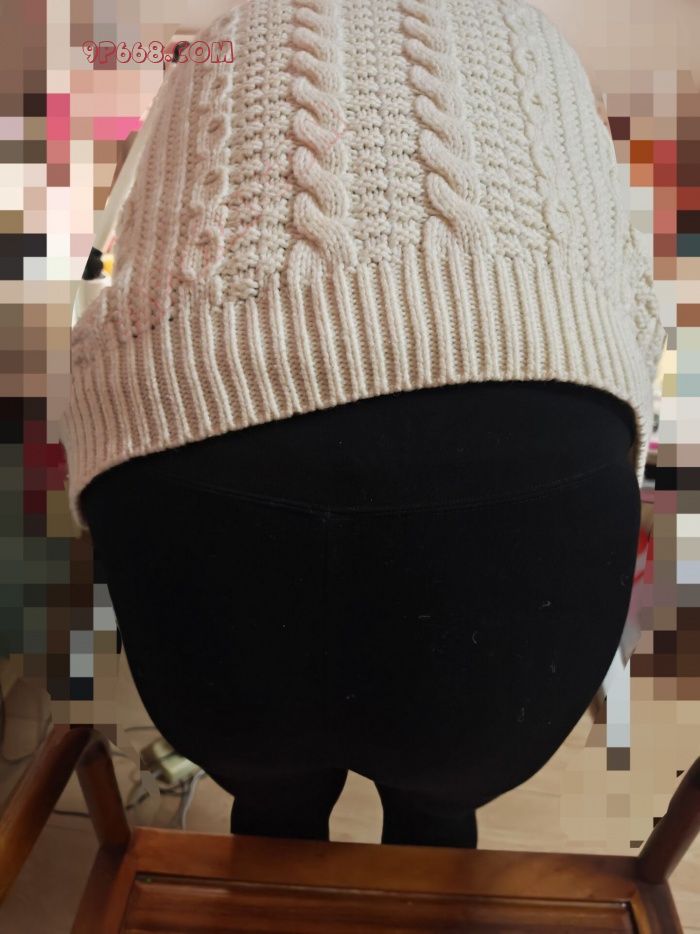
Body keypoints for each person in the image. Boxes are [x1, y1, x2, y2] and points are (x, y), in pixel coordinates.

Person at [59, 0, 666, 849]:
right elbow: (628, 309)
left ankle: (282, 831)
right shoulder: (534, 36)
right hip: (531, 489)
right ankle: (426, 834)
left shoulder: (224, 38)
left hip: (194, 467)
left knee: (270, 804)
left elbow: (121, 259)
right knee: (441, 804)